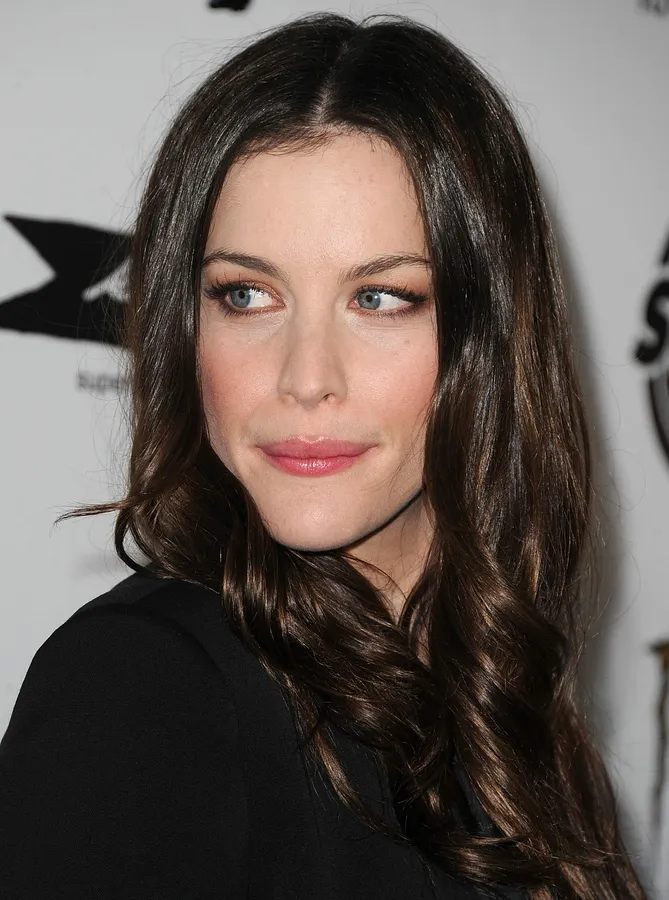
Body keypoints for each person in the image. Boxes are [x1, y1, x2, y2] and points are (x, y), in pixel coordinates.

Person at [0, 11, 648, 900]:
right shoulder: (147, 687)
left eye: (378, 297)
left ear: (488, 337)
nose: (305, 378)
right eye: (246, 295)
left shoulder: (521, 728)